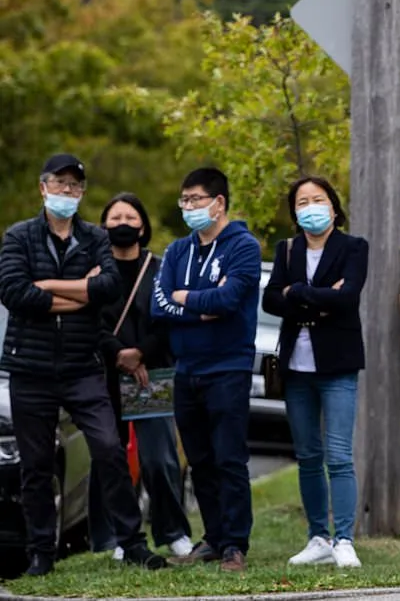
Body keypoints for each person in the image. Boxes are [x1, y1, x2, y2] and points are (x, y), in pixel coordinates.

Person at [0, 154, 167, 576]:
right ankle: (41, 552)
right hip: (30, 368)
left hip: (82, 367)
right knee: (36, 465)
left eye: (75, 186)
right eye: (60, 184)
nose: (67, 193)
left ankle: (130, 542)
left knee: (110, 450)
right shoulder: (18, 237)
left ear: (83, 193)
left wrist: (51, 286)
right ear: (43, 188)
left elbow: (109, 288)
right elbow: (15, 294)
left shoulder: (95, 238)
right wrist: (81, 292)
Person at [152, 167, 262, 573]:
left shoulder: (243, 246)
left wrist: (186, 300)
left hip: (228, 367)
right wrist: (199, 307)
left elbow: (230, 300)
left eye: (195, 200)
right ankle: (213, 537)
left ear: (218, 202)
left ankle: (235, 543)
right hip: (187, 369)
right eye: (184, 201)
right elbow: (158, 305)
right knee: (199, 460)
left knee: (228, 458)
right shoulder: (178, 251)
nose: (189, 208)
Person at [263, 177, 368, 568]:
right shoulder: (286, 250)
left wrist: (297, 293)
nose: (310, 207)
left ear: (334, 207)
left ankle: (344, 538)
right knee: (308, 455)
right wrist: (310, 297)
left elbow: (347, 297)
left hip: (337, 363)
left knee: (339, 456)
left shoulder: (354, 247)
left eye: (318, 199)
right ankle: (317, 537)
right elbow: (271, 299)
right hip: (296, 366)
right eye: (302, 201)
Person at [91, 193, 194, 561]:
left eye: (130, 217)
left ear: (143, 226)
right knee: (111, 456)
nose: (122, 223)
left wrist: (140, 353)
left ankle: (173, 530)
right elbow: (88, 322)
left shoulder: (161, 268)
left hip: (152, 372)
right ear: (103, 227)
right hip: (104, 372)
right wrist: (118, 353)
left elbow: (170, 319)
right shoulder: (93, 270)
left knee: (159, 457)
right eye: (115, 216)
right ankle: (122, 537)